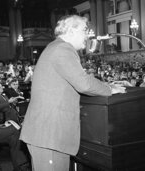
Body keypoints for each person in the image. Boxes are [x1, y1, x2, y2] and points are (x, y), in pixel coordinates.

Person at [20, 15, 125, 171]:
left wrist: (104, 85)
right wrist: (110, 89)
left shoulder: (56, 47)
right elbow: (83, 83)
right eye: (84, 30)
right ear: (71, 30)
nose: (87, 35)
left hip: (48, 134)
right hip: (49, 134)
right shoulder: (63, 49)